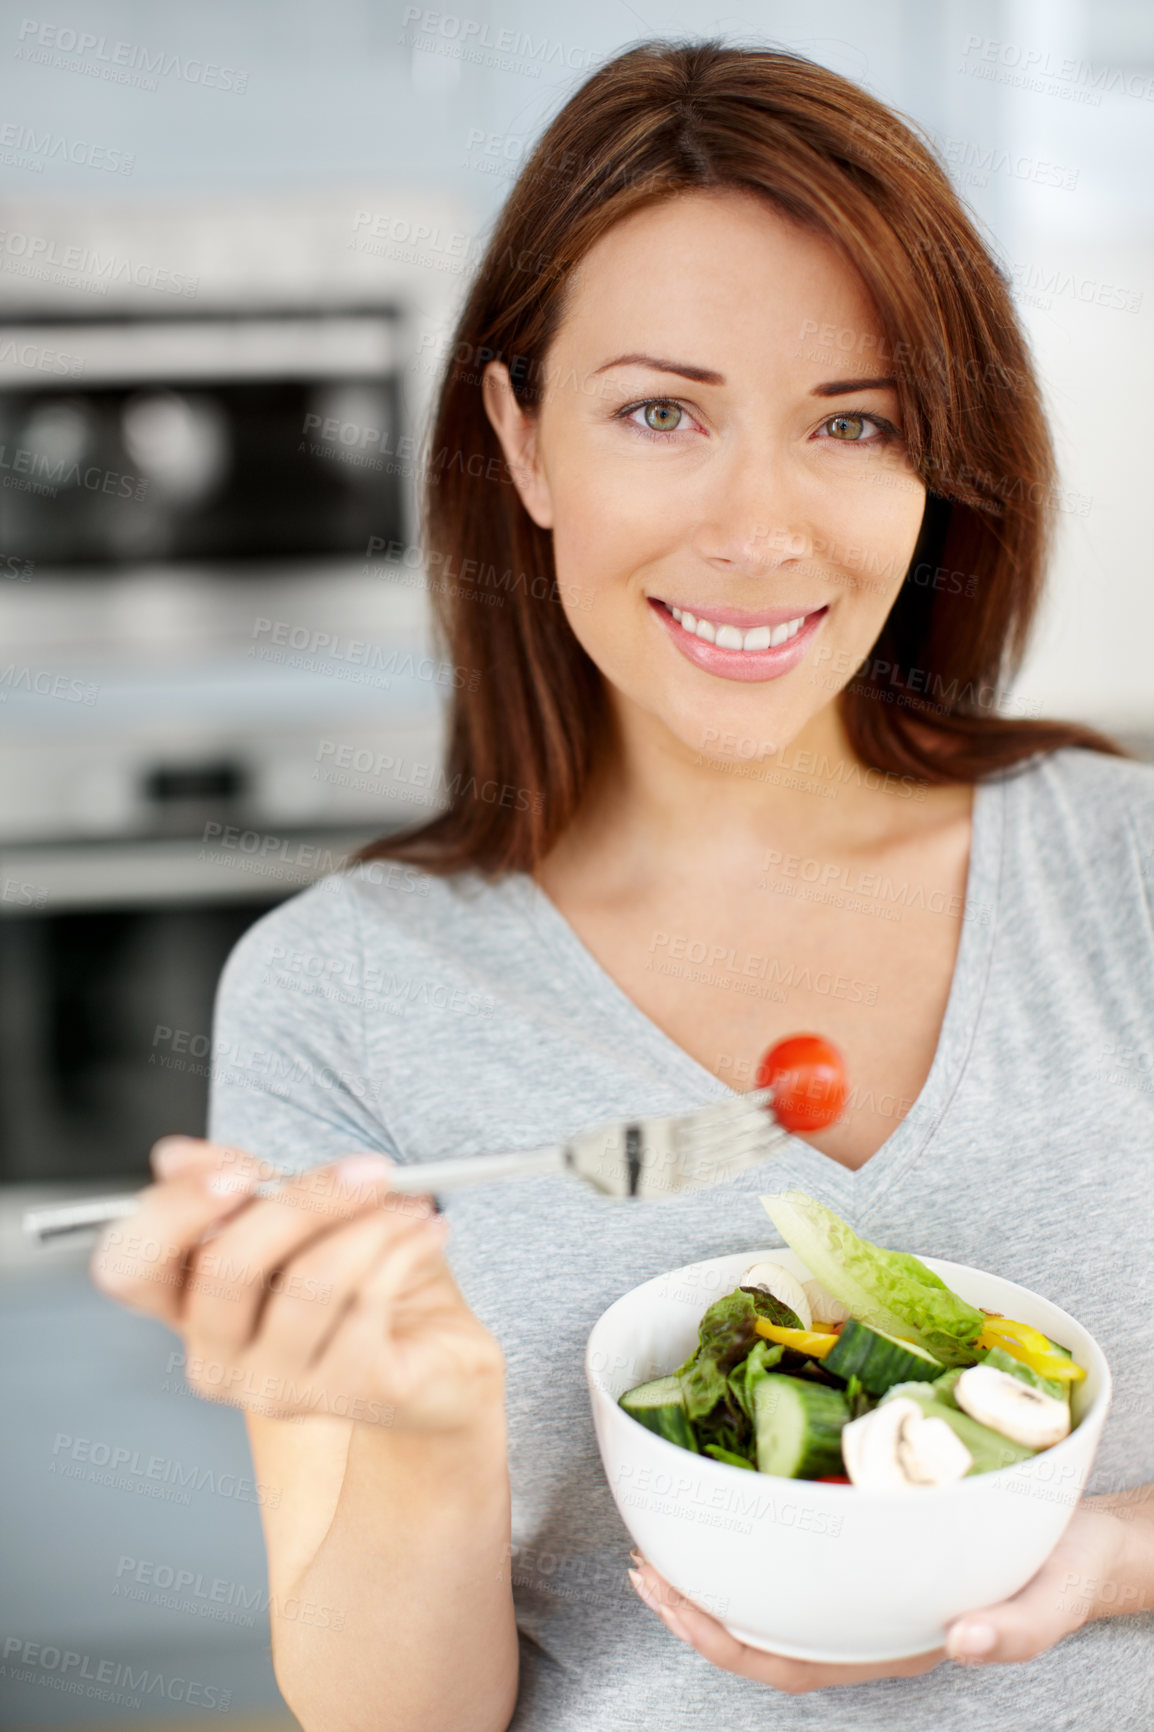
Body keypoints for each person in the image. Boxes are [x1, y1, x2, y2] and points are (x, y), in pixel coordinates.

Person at [93, 38, 1154, 1732]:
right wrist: (426, 1433)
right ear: (519, 441)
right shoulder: (341, 990)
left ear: (933, 460)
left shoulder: (1129, 874)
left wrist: (1100, 1554)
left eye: (851, 422)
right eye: (660, 412)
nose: (758, 527)